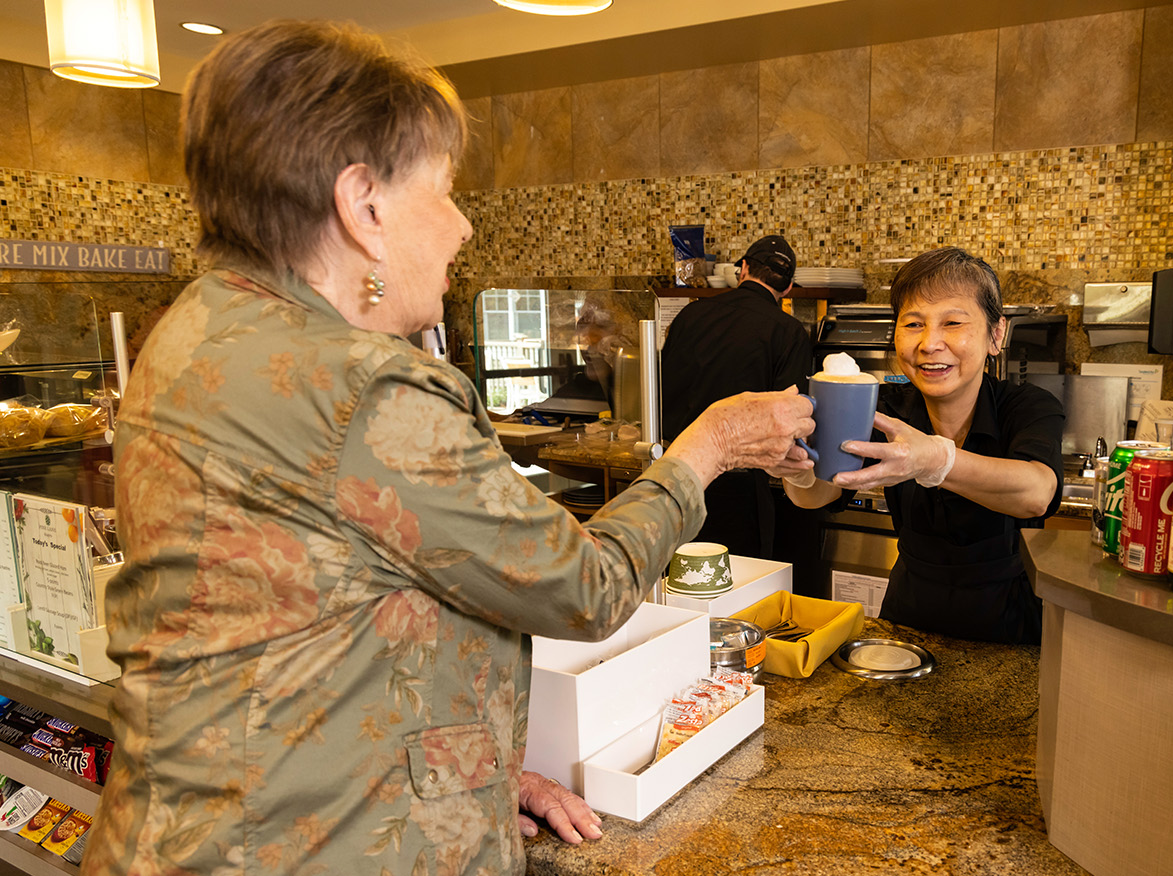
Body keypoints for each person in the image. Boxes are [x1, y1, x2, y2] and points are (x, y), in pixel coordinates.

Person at [82, 21, 813, 876]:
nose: (463, 226)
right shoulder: (365, 386)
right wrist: (709, 445)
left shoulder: (193, 332)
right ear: (364, 207)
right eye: (446, 190)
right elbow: (587, 588)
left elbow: (299, 622)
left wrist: (466, 775)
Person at [784, 247, 1064, 644]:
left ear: (995, 334)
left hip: (1009, 627)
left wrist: (935, 460)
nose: (930, 343)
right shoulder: (882, 408)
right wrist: (796, 470)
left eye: (952, 322)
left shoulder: (1028, 406)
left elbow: (1037, 493)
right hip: (906, 624)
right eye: (913, 324)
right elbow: (825, 489)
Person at [661, 234, 814, 559]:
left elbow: (663, 387)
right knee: (734, 588)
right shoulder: (788, 332)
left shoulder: (689, 316)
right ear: (787, 288)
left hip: (674, 473)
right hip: (739, 491)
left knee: (675, 584)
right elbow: (794, 416)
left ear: (743, 269)